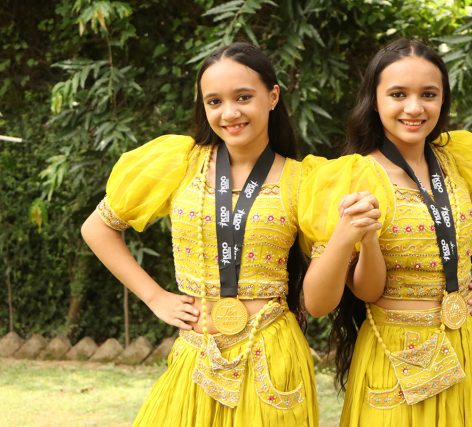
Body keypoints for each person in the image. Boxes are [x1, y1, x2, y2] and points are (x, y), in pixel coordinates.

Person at [81, 42, 319, 427]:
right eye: (214, 102)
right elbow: (98, 227)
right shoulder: (179, 163)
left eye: (243, 97)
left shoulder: (306, 179)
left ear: (273, 96)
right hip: (196, 349)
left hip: (273, 351)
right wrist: (155, 296)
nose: (229, 113)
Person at [301, 38, 472, 426]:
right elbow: (328, 301)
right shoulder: (352, 177)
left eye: (429, 94)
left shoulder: (460, 162)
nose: (415, 108)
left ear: (443, 99)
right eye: (398, 94)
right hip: (396, 357)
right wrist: (358, 237)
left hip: (469, 347)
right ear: (375, 99)